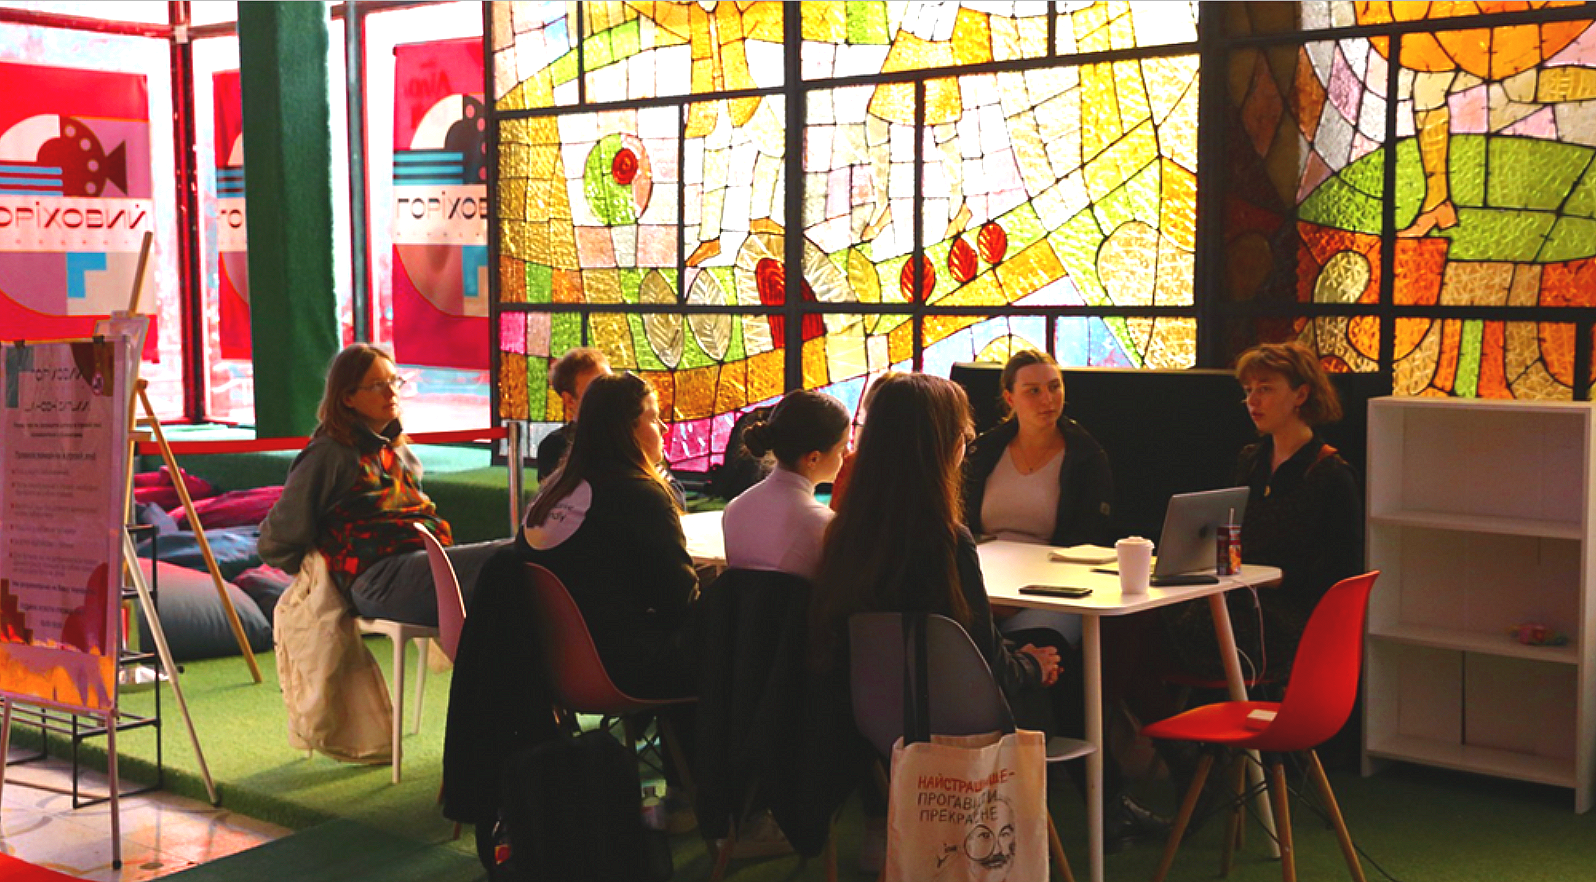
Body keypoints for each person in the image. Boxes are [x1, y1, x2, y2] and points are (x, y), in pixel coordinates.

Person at [258, 343, 504, 625]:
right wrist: (320, 574)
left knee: (512, 572)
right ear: (347, 398)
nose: (391, 393)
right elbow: (276, 540)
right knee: (508, 556)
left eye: (394, 381)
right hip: (375, 579)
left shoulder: (397, 451)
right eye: (376, 386)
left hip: (418, 564)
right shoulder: (330, 454)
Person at [1167, 341, 1364, 681]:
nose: (1252, 401)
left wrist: (1274, 578)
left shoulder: (1332, 474)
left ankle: (1156, 726)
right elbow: (1229, 535)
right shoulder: (1250, 460)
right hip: (1239, 596)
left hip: (1287, 613)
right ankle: (1154, 724)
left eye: (1265, 389)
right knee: (1139, 622)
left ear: (1300, 395)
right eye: (1248, 390)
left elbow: (1340, 572)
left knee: (1156, 635)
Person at [517, 371, 698, 699]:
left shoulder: (552, 490)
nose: (664, 429)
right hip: (626, 667)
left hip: (544, 665)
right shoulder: (640, 494)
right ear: (627, 430)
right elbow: (678, 601)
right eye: (654, 418)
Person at [963, 349, 1113, 548]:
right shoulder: (983, 451)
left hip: (1054, 567)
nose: (1047, 399)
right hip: (985, 561)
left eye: (1054, 387)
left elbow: (1091, 534)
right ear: (1010, 398)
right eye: (1033, 391)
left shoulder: (1085, 456)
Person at [721, 390, 850, 581]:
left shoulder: (735, 508)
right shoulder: (824, 524)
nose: (847, 454)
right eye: (842, 448)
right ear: (813, 458)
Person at [535, 347, 611, 482]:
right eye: (596, 388)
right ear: (570, 400)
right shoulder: (555, 446)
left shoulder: (629, 433)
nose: (609, 393)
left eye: (610, 384)